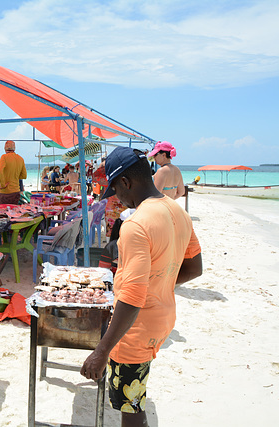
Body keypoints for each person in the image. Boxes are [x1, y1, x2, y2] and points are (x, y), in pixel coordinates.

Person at [80, 147, 202, 427]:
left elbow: (133, 298)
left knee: (131, 407)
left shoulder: (135, 225)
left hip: (135, 329)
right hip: (163, 317)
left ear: (126, 182)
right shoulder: (177, 211)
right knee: (135, 397)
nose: (119, 200)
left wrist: (102, 351)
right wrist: (158, 281)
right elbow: (194, 268)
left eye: (116, 192)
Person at [0, 140, 27, 205]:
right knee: (13, 213)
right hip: (16, 191)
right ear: (14, 148)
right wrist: (14, 176)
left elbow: (0, 171)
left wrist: (3, 184)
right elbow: (24, 176)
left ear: (5, 148)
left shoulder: (4, 157)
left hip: (5, 192)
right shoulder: (20, 158)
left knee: (1, 212)